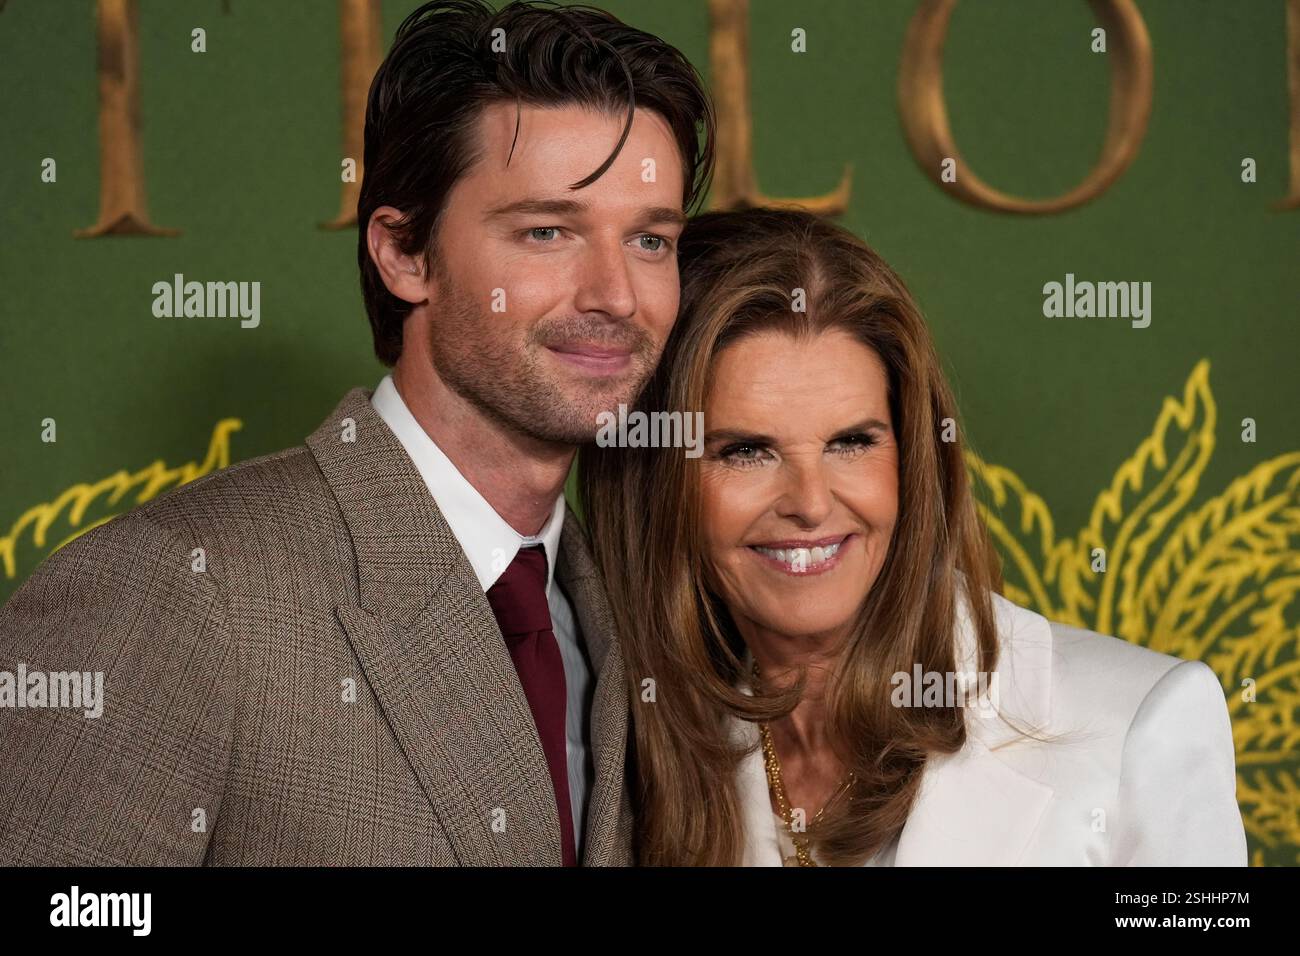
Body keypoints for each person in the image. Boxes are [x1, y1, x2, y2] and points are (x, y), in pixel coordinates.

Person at [0, 0, 714, 866]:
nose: (615, 296)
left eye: (648, 239)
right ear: (404, 253)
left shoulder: (618, 615)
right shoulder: (180, 592)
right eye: (547, 231)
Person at [579, 207, 1248, 866]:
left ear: (912, 458)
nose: (811, 504)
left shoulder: (1142, 725)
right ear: (655, 480)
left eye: (851, 442)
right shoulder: (616, 750)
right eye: (746, 451)